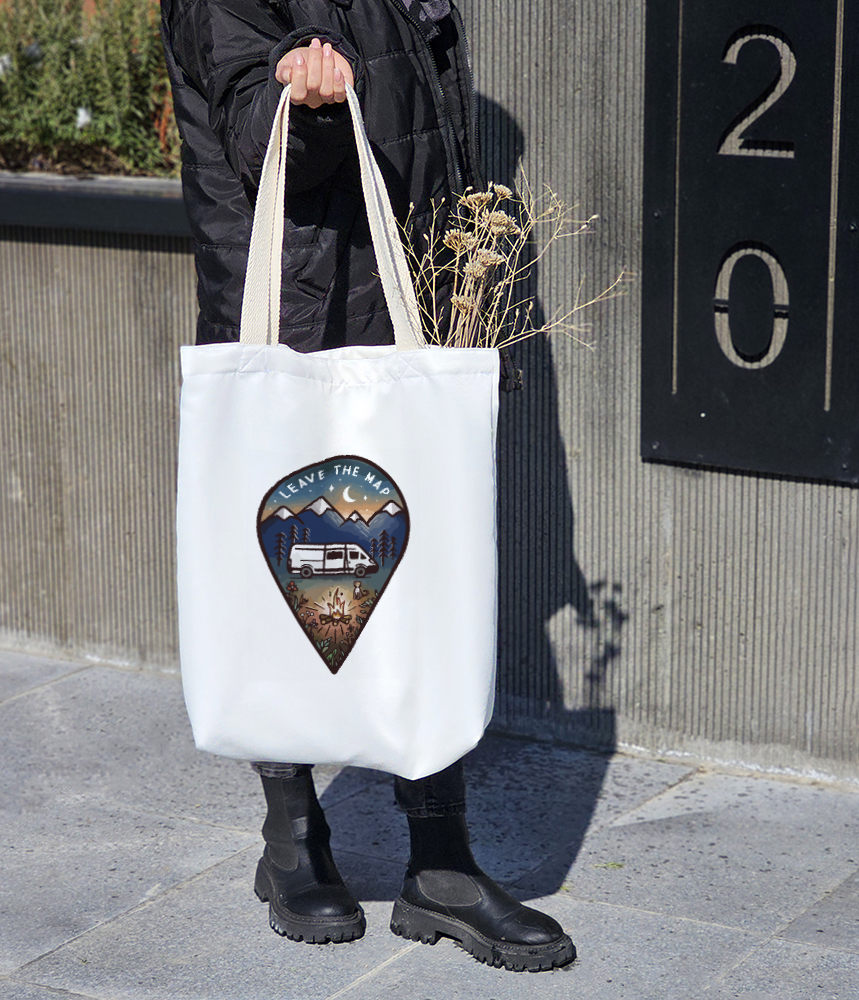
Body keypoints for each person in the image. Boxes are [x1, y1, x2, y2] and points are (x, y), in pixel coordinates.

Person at [159, 0, 575, 973]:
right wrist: (301, 104)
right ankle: (292, 837)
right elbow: (254, 133)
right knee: (291, 573)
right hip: (298, 303)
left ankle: (442, 860)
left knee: (419, 574)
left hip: (400, 300)